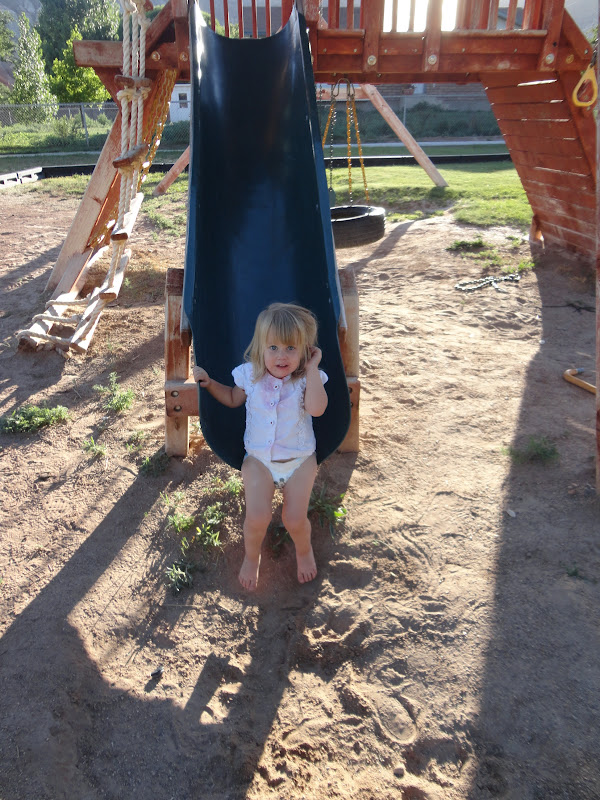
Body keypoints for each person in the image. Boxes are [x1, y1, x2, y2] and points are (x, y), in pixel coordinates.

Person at [193, 302, 328, 591]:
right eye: (273, 348)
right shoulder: (250, 375)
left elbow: (317, 410)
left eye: (291, 348)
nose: (282, 356)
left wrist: (312, 368)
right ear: (261, 349)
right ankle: (252, 557)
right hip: (258, 460)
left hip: (300, 460)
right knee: (257, 517)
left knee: (294, 518)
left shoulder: (307, 379)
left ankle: (304, 550)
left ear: (305, 351)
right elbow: (233, 398)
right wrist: (209, 384)